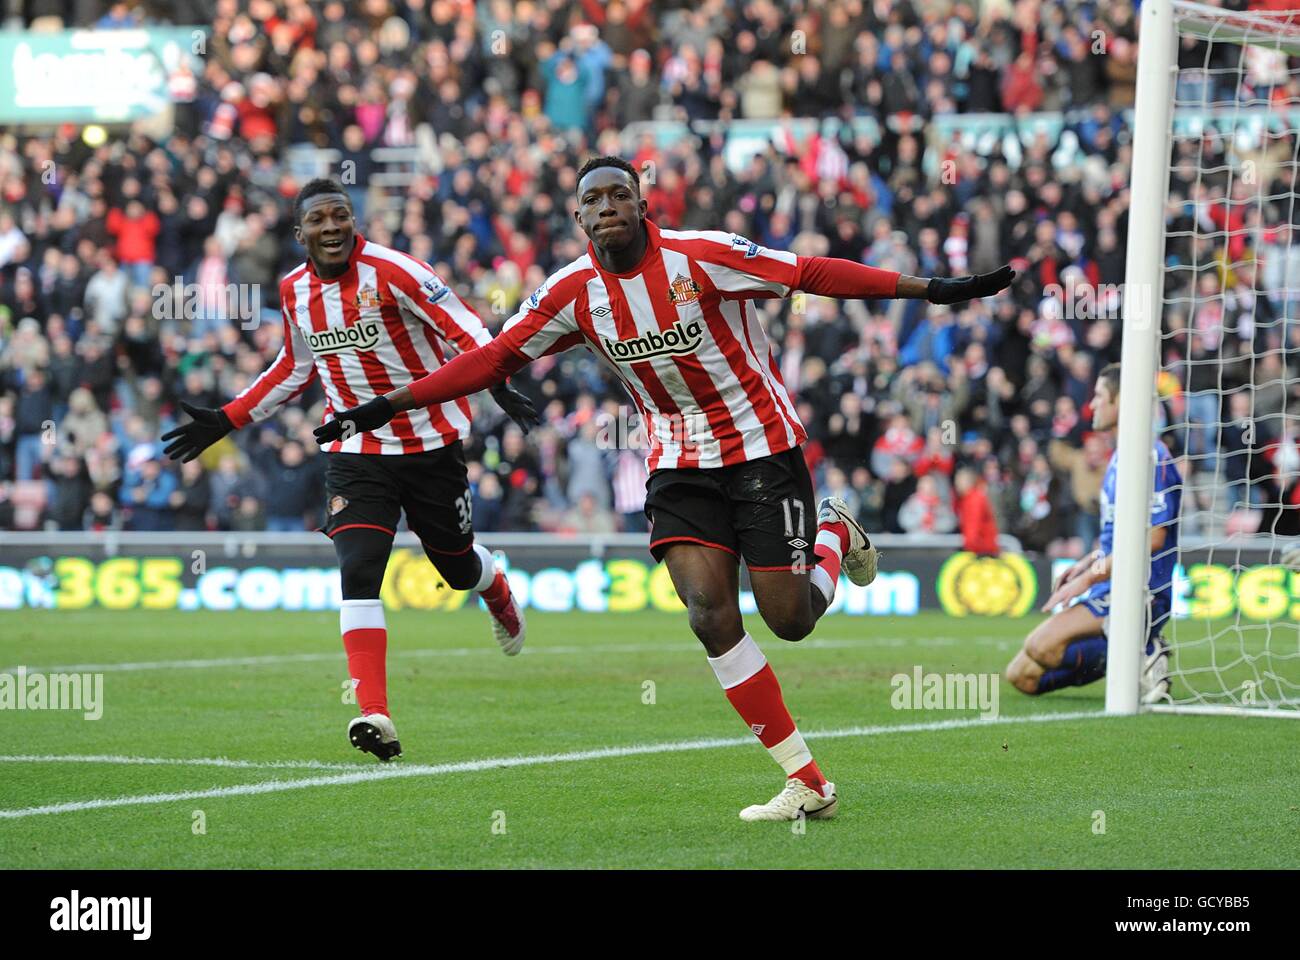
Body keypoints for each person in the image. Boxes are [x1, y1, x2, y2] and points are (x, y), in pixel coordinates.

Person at [314, 156, 1016, 820]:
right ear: (579, 219)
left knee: (791, 620)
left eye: (619, 194)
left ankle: (832, 532)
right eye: (593, 200)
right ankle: (806, 782)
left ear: (643, 206)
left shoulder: (700, 255)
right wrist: (385, 405)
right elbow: (496, 355)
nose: (607, 207)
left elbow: (808, 272)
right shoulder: (571, 291)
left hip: (762, 450)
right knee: (709, 614)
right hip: (678, 464)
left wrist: (929, 290)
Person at [162, 179, 540, 762]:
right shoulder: (294, 290)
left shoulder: (397, 271)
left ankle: (494, 585)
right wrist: (229, 418)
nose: (332, 227)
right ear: (300, 234)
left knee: (457, 568)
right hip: (355, 449)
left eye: (340, 215)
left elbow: (465, 330)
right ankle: (375, 713)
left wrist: (500, 380)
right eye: (318, 220)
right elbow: (295, 366)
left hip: (430, 444)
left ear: (353, 221)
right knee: (359, 568)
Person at [1005, 363, 1181, 702]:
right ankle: (1127, 653)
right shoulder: (1118, 459)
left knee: (1039, 646)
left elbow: (1155, 538)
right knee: (1021, 676)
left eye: (1100, 397)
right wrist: (1087, 564)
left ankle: (1143, 647)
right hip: (1109, 580)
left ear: (1122, 402)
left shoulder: (1152, 456)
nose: (1092, 405)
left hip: (1141, 588)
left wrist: (1087, 580)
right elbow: (1115, 538)